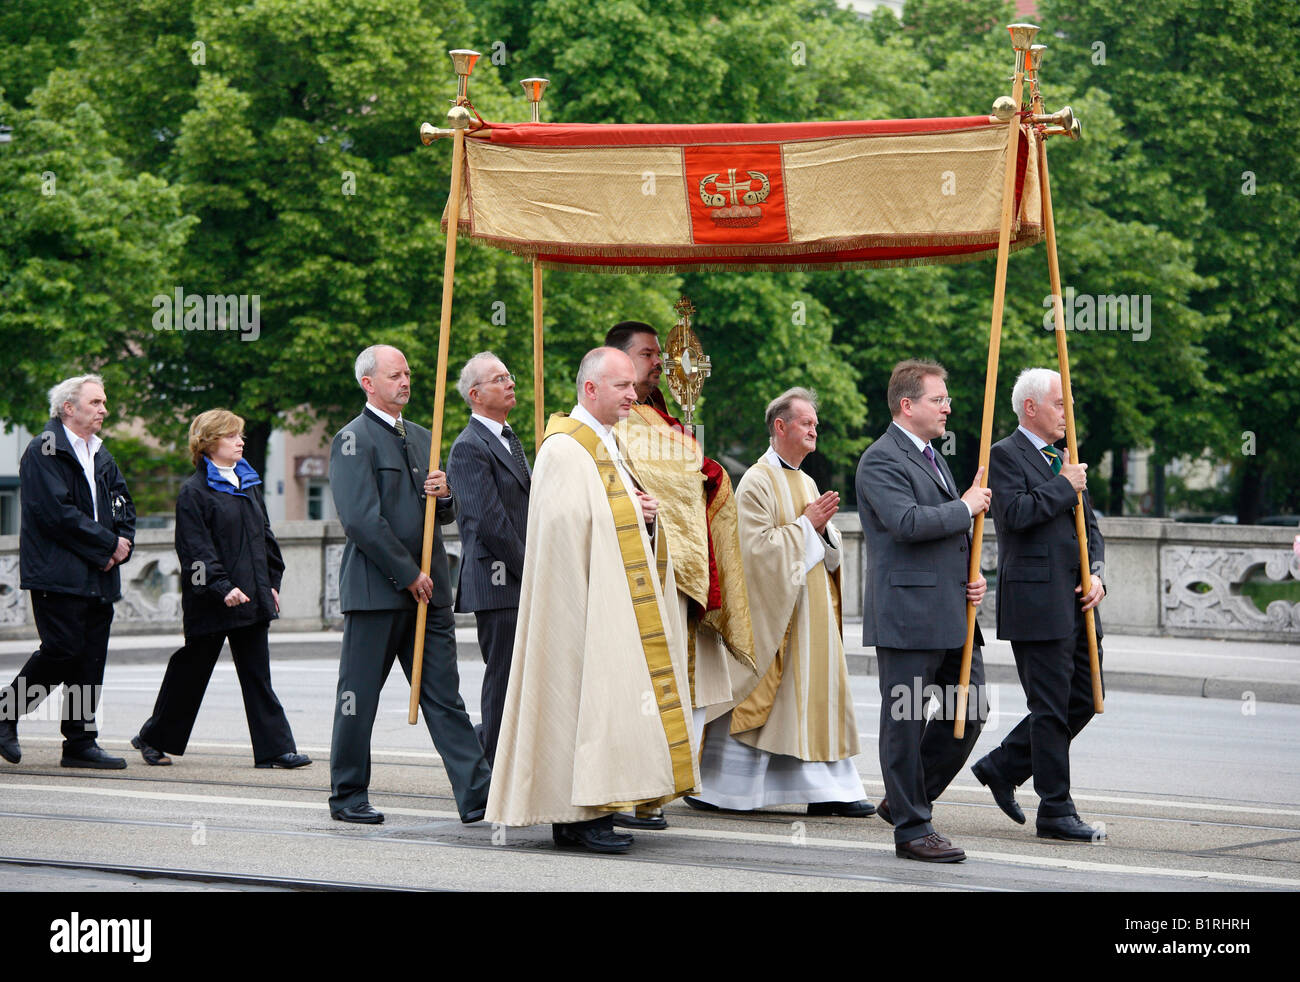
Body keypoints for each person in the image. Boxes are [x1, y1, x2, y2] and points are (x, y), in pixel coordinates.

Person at [486, 347, 697, 854]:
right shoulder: (564, 449)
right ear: (590, 390)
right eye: (622, 386)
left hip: (610, 602)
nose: (633, 394)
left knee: (604, 707)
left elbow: (613, 519)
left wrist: (646, 517)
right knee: (576, 703)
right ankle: (573, 818)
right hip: (576, 607)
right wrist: (624, 513)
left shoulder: (609, 445)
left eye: (632, 385)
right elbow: (561, 532)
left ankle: (597, 807)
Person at [326, 344, 491, 825]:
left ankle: (476, 795)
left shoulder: (424, 436)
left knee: (444, 696)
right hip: (379, 592)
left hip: (430, 589)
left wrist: (445, 497)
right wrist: (408, 573)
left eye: (408, 373)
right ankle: (348, 794)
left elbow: (440, 514)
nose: (405, 381)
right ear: (368, 383)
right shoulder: (352, 439)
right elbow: (361, 520)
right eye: (394, 374)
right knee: (358, 697)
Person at [688, 388, 870, 816]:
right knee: (770, 698)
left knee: (813, 697)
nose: (814, 430)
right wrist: (808, 526)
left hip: (811, 613)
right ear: (780, 427)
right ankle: (728, 789)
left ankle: (829, 791)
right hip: (777, 614)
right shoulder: (756, 480)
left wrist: (822, 534)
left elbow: (824, 544)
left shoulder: (805, 480)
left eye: (815, 424)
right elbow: (754, 552)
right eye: (806, 423)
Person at [605, 321, 755, 831]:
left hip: (680, 586)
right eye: (648, 355)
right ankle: (631, 792)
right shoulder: (621, 424)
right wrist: (700, 471)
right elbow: (666, 482)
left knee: (685, 689)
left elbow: (690, 475)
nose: (660, 365)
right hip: (647, 578)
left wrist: (701, 467)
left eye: (658, 356)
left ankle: (660, 789)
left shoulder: (661, 419)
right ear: (617, 361)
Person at [856, 359, 991, 863]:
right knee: (905, 723)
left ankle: (905, 800)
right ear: (907, 405)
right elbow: (907, 523)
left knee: (969, 713)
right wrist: (968, 505)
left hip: (952, 612)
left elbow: (943, 537)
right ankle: (913, 829)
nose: (948, 407)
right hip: (908, 616)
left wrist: (967, 578)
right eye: (939, 399)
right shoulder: (880, 459)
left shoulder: (933, 455)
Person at [969, 367, 1106, 842]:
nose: (1067, 412)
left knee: (1086, 699)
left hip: (1078, 604)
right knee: (1049, 708)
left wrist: (1098, 574)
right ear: (1031, 407)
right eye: (1059, 403)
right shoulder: (1003, 455)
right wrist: (1064, 485)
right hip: (1036, 603)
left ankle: (1003, 765)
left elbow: (1091, 529)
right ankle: (1055, 809)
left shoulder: (1067, 458)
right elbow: (1013, 515)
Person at [131, 410, 310, 770]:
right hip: (211, 601)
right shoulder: (193, 491)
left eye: (240, 435)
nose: (240, 441)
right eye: (231, 436)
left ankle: (275, 749)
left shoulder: (248, 480)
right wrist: (221, 586)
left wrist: (271, 585)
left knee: (258, 674)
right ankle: (153, 738)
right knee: (192, 672)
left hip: (252, 597)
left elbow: (265, 539)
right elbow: (194, 551)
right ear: (209, 442)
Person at [0, 375, 135, 769]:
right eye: (95, 402)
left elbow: (123, 506)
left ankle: (79, 742)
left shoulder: (101, 453)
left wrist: (121, 545)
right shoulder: (43, 450)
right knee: (63, 651)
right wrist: (106, 545)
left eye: (103, 403)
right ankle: (6, 714)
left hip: (100, 573)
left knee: (90, 659)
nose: (104, 410)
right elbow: (55, 514)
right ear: (68, 408)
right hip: (57, 573)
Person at [446, 352, 530, 767]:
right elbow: (490, 522)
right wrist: (531, 568)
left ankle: (506, 759)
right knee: (503, 677)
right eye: (499, 379)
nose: (510, 383)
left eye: (508, 375)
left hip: (518, 579)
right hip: (499, 582)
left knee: (520, 677)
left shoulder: (508, 437)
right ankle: (493, 769)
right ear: (476, 395)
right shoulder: (469, 446)